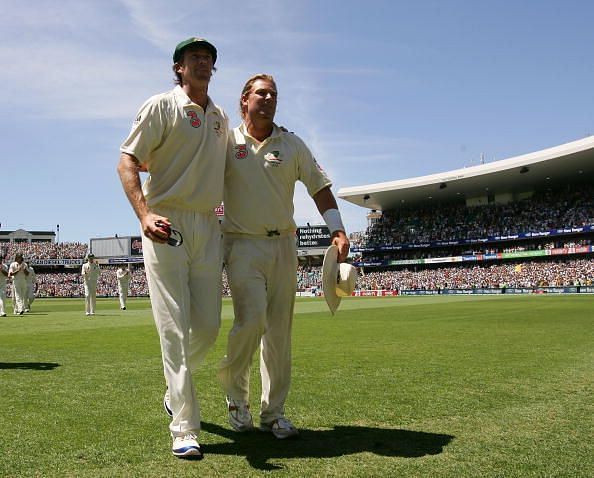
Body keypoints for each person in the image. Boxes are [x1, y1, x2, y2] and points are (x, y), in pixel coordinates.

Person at [218, 74, 350, 439]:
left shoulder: (291, 144)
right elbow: (197, 174)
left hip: (283, 246)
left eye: (274, 94)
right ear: (244, 100)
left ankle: (273, 413)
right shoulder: (226, 141)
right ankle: (236, 398)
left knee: (279, 332)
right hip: (241, 243)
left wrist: (337, 230)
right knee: (251, 321)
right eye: (261, 93)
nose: (269, 98)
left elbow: (319, 187)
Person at [117, 37, 228, 459]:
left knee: (209, 326)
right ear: (178, 67)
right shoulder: (161, 105)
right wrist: (144, 214)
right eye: (194, 58)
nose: (203, 64)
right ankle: (184, 427)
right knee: (174, 328)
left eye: (208, 59)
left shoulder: (218, 117)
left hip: (207, 224)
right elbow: (127, 159)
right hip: (166, 221)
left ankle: (172, 390)